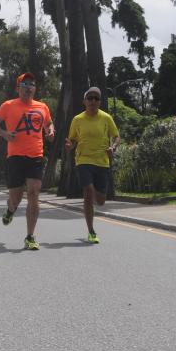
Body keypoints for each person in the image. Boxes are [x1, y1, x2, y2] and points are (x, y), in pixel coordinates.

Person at [0, 72, 55, 251]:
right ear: (18, 88)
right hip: (15, 157)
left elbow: (48, 123)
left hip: (36, 156)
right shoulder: (8, 106)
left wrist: (50, 131)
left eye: (31, 85)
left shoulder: (42, 107)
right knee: (16, 198)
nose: (28, 88)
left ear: (35, 88)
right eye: (24, 85)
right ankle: (10, 210)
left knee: (33, 193)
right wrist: (4, 134)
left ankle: (30, 236)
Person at [65, 86, 120, 244]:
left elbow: (116, 136)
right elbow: (73, 139)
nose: (93, 101)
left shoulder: (106, 118)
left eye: (96, 98)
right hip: (83, 160)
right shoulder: (77, 119)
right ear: (84, 101)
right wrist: (70, 145)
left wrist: (113, 147)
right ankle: (91, 231)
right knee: (88, 191)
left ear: (100, 102)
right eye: (90, 98)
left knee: (101, 201)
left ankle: (92, 199)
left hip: (102, 162)